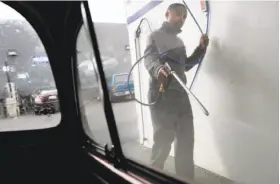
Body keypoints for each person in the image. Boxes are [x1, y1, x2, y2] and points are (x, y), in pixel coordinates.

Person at [143, 3, 209, 181]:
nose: (182, 18)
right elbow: (149, 60)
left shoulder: (179, 42)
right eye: (178, 14)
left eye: (184, 16)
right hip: (162, 98)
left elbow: (185, 66)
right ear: (167, 14)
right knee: (162, 146)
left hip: (181, 98)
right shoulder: (154, 36)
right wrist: (157, 70)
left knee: (186, 145)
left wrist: (200, 49)